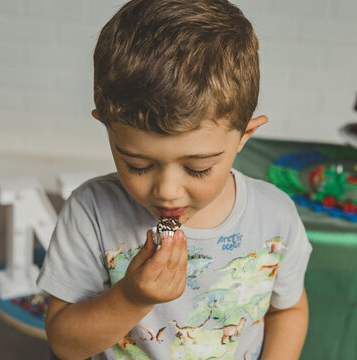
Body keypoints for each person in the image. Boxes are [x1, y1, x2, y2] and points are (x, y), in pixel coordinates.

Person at [36, 0, 312, 358]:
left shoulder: (274, 217)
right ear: (107, 127)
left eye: (198, 168)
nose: (167, 191)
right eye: (137, 164)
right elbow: (65, 343)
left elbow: (288, 309)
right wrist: (131, 298)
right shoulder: (92, 212)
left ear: (244, 136)